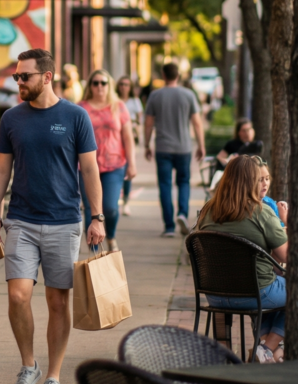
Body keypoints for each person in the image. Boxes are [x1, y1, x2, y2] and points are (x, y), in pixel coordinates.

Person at [0, 48, 105, 384]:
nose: (19, 82)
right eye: (16, 77)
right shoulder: (11, 119)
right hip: (21, 219)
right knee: (18, 295)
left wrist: (97, 217)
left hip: (64, 221)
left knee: (57, 301)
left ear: (47, 77)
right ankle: (28, 366)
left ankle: (53, 377)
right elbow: (1, 169)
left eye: (25, 77)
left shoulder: (75, 116)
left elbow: (90, 169)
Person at [196, 154, 287, 362]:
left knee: (274, 283)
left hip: (213, 293)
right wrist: (286, 222)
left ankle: (264, 349)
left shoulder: (208, 210)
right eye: (257, 178)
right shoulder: (261, 212)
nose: (262, 183)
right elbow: (286, 254)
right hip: (255, 293)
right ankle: (266, 348)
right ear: (248, 181)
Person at [144, 61, 205, 237]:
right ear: (178, 75)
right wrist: (201, 145)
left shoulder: (155, 96)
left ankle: (169, 226)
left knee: (164, 185)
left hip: (163, 147)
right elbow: (197, 122)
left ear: (163, 75)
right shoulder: (188, 95)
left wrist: (147, 144)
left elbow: (148, 124)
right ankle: (182, 214)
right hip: (183, 147)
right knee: (183, 182)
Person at [79, 70, 136, 252]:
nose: (99, 87)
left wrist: (132, 163)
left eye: (103, 83)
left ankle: (110, 235)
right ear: (90, 86)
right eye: (95, 83)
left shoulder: (118, 106)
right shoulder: (81, 108)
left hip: (114, 165)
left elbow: (127, 137)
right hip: (87, 165)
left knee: (110, 208)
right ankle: (94, 250)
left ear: (109, 85)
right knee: (90, 207)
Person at [116, 76, 143, 215]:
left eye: (126, 85)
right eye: (121, 84)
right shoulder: (114, 99)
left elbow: (140, 119)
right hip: (114, 139)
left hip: (129, 138)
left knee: (127, 170)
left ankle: (126, 202)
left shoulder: (135, 101)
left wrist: (135, 127)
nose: (123, 87)